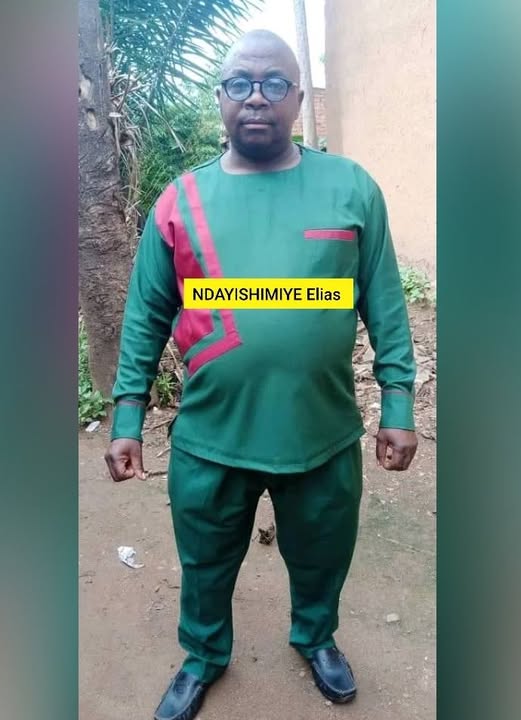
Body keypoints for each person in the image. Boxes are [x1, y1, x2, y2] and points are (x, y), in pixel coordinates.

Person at [105, 29, 418, 720]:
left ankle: (315, 636)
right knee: (205, 561)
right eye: (240, 83)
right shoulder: (180, 202)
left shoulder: (350, 189)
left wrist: (397, 405)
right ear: (219, 96)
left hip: (321, 434)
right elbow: (145, 317)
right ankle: (202, 655)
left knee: (322, 555)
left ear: (298, 98)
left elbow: (385, 306)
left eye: (274, 84)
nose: (256, 97)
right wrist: (126, 416)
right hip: (211, 439)